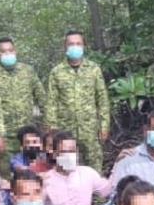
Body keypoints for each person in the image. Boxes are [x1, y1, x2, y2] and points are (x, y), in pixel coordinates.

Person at [44, 29, 110, 172]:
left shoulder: (93, 69)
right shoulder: (57, 72)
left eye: (78, 43)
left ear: (83, 46)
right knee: (67, 167)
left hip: (90, 129)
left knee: (94, 164)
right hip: (65, 130)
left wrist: (104, 125)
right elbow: (52, 101)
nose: (75, 47)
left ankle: (96, 195)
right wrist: (51, 128)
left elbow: (102, 98)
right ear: (65, 46)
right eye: (71, 44)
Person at [43, 131, 111, 205]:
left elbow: (109, 190)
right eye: (64, 152)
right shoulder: (46, 180)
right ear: (55, 154)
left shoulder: (87, 173)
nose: (69, 155)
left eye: (72, 151)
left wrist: (119, 164)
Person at [0, 36, 46, 153]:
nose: (7, 53)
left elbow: (42, 98)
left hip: (28, 135)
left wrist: (48, 124)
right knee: (5, 169)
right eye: (3, 51)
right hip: (5, 136)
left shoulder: (27, 71)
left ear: (15, 51)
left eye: (10, 50)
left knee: (30, 168)